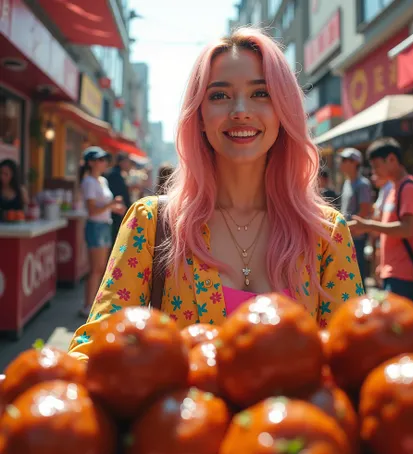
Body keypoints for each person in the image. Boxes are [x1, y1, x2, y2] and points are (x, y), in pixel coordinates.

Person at [69, 27, 363, 360]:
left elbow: (353, 357)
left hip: (296, 414)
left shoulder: (326, 232)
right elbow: (94, 349)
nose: (240, 111)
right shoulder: (152, 223)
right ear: (199, 116)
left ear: (284, 111)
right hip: (189, 413)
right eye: (220, 95)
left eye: (260, 93)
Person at [351, 137, 413, 303]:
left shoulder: (408, 188)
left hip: (405, 275)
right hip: (392, 272)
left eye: (376, 166)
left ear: (392, 159)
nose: (374, 171)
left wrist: (368, 225)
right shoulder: (394, 188)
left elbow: (407, 229)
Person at [79, 147, 126, 318]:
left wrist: (114, 207)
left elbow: (100, 208)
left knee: (102, 269)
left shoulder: (102, 181)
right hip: (96, 226)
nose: (103, 162)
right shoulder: (88, 182)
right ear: (90, 162)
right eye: (99, 159)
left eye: (104, 159)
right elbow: (92, 211)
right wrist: (111, 204)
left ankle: (94, 304)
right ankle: (87, 305)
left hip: (105, 225)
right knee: (95, 269)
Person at [339, 148, 372, 286]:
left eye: (345, 160)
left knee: (357, 276)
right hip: (347, 235)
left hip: (357, 237)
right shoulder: (347, 183)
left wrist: (349, 228)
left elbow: (365, 210)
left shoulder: (363, 184)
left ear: (355, 163)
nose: (341, 163)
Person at [104, 152, 133, 244]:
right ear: (122, 162)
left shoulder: (117, 173)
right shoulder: (115, 175)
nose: (129, 165)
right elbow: (117, 195)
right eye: (128, 162)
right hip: (117, 213)